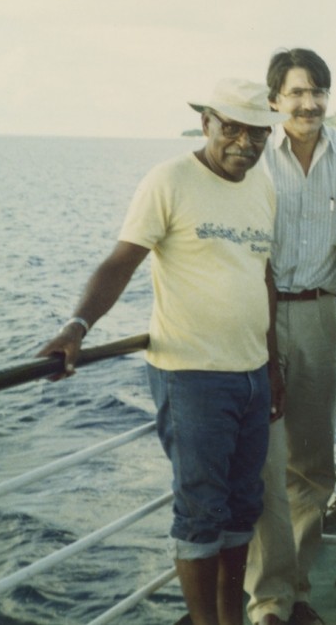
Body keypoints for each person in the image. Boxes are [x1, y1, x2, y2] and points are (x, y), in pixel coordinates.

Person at [39, 79, 288, 625]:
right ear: (207, 125)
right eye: (233, 128)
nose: (245, 143)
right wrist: (78, 325)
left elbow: (262, 276)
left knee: (244, 506)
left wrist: (272, 364)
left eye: (257, 133)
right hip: (191, 375)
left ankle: (230, 618)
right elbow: (121, 261)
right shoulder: (168, 180)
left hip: (250, 374)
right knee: (201, 512)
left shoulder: (262, 187)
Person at [245, 49, 336, 625]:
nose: (309, 103)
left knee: (313, 465)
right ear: (275, 101)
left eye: (318, 91)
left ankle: (293, 592)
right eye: (297, 92)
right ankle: (266, 601)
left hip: (321, 315)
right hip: (256, 318)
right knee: (263, 462)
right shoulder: (253, 156)